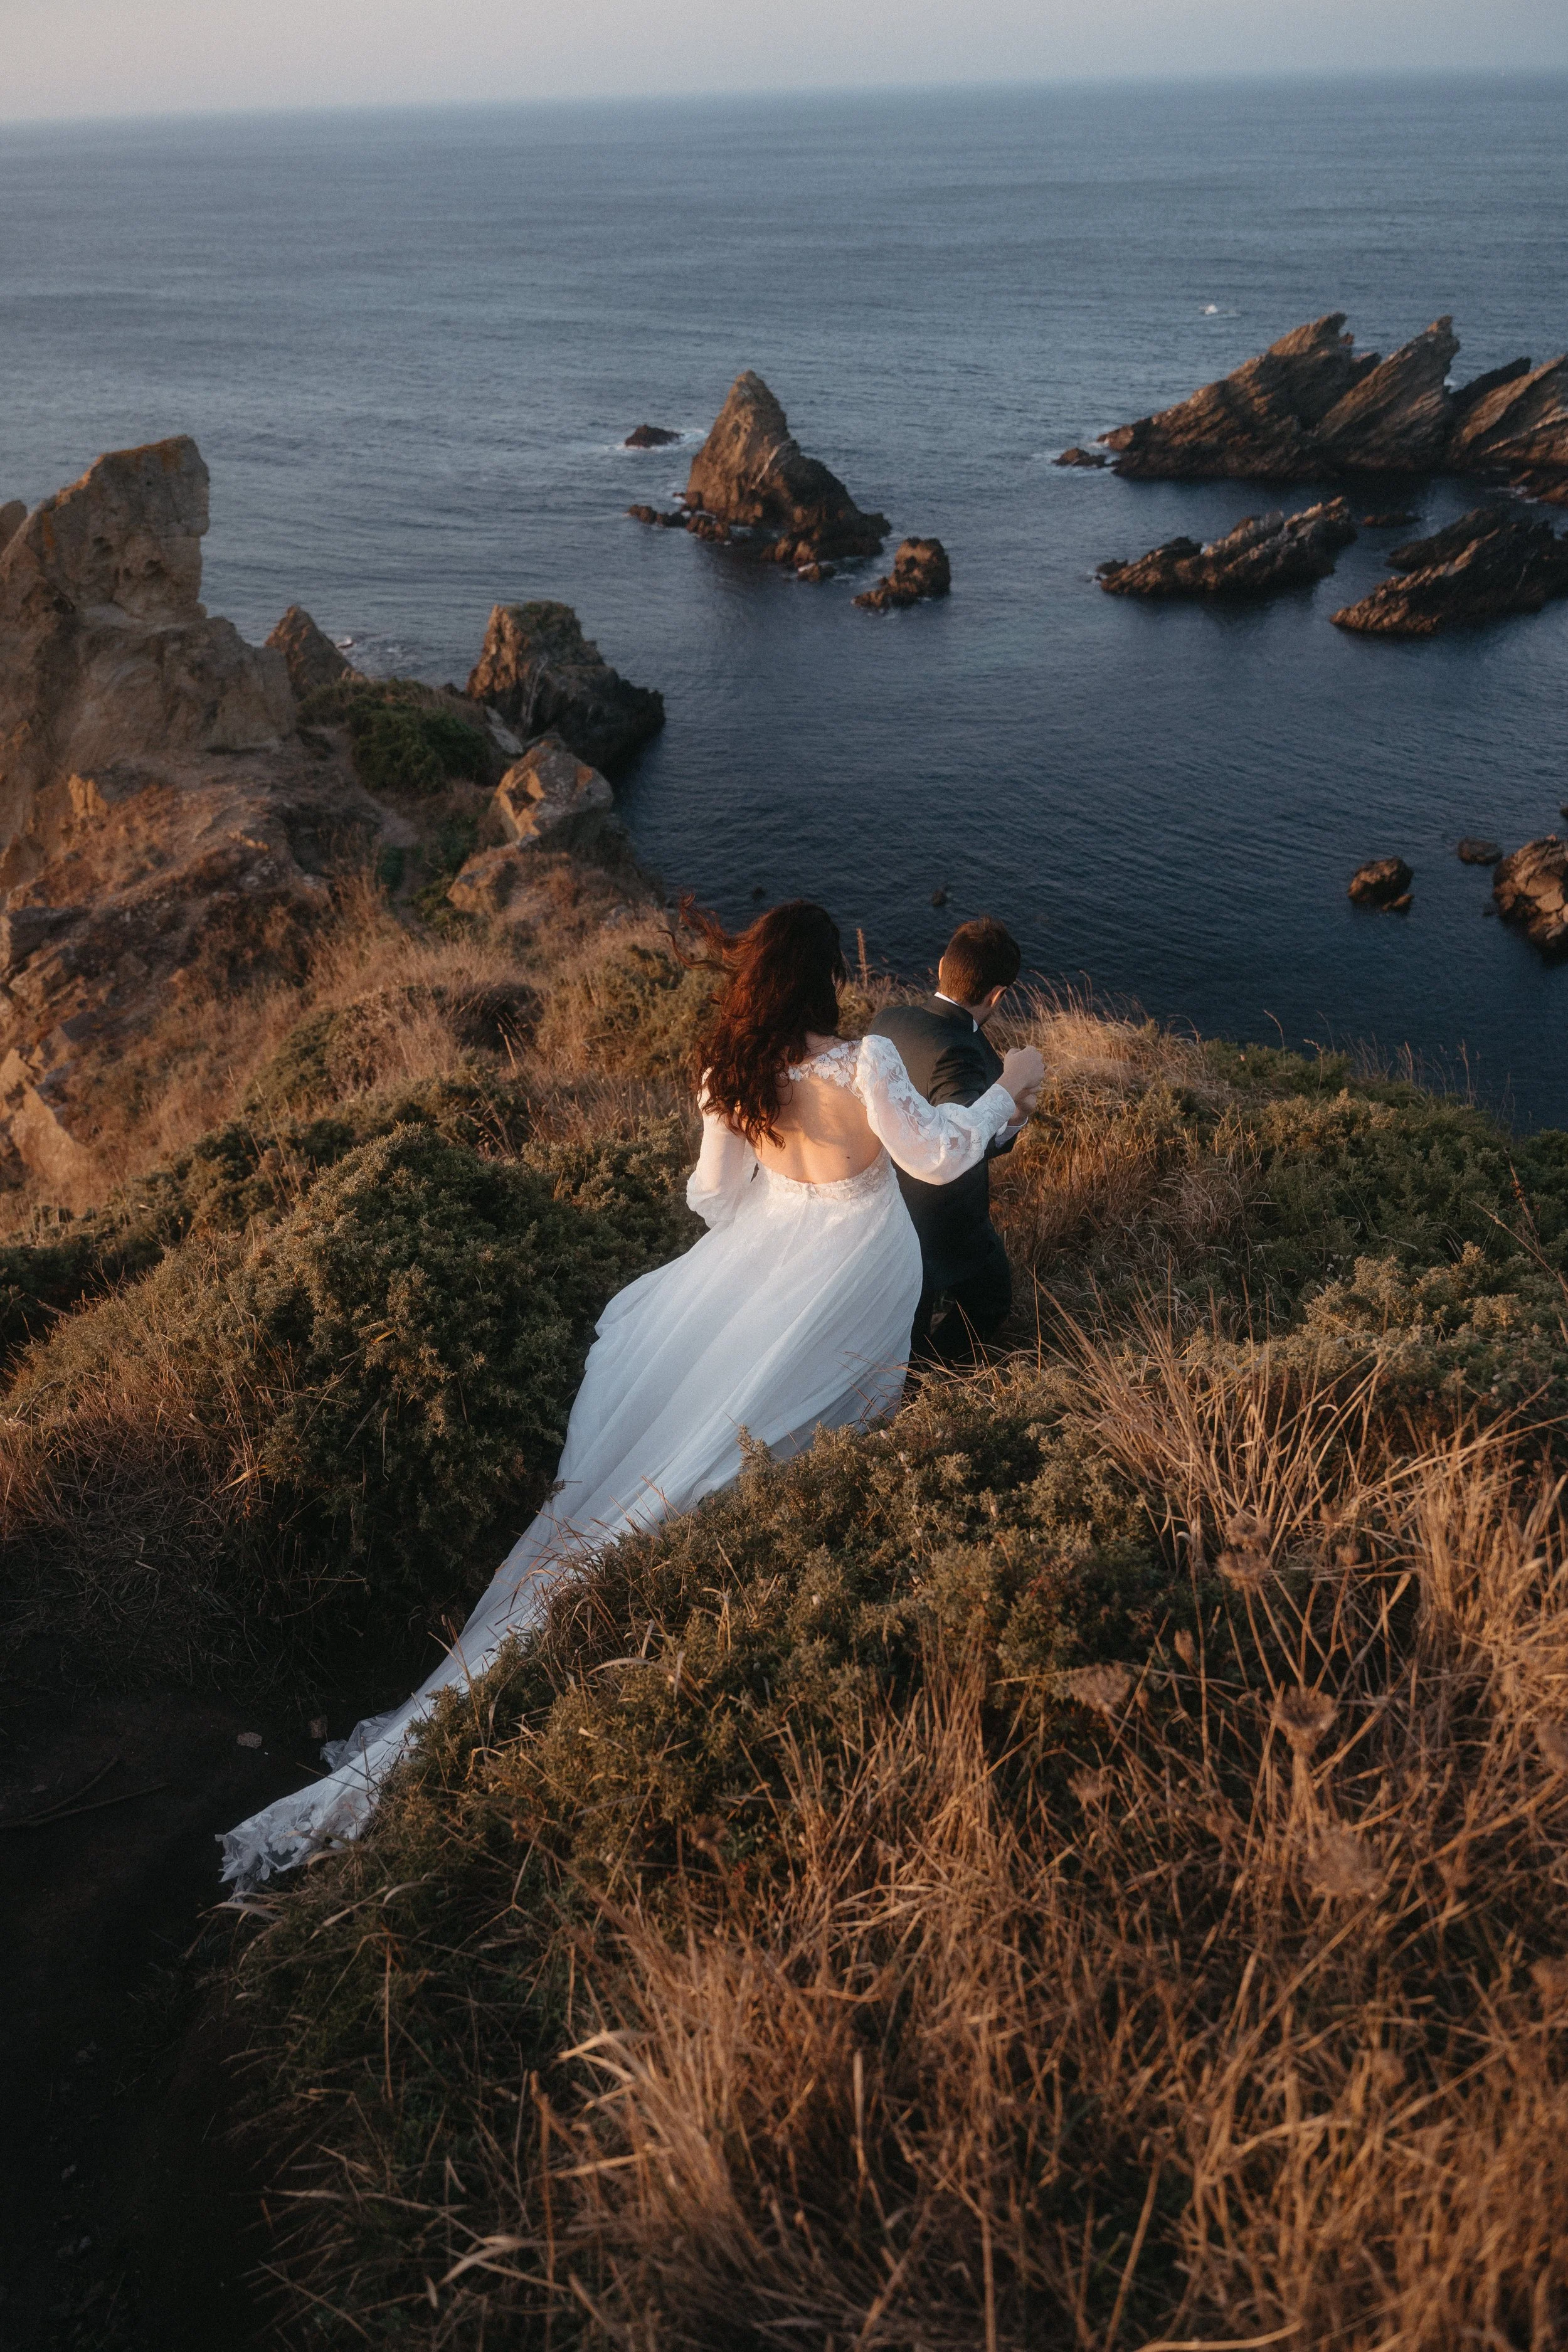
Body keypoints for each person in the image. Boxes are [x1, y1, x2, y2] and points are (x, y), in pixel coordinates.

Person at [221, 899, 1045, 1888]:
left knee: (689, 1437)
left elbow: (710, 1198)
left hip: (768, 1254)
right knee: (761, 1441)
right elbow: (941, 1155)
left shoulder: (729, 1066)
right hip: (851, 1271)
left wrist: (777, 1205)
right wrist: (1012, 1092)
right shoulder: (862, 1061)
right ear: (825, 975)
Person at [868, 917, 1030, 1366]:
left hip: (881, 1202)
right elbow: (962, 1143)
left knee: (904, 1324)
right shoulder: (964, 1050)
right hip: (943, 1221)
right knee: (990, 1301)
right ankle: (928, 1375)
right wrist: (1016, 1118)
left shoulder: (889, 1019)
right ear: (999, 995)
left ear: (942, 966)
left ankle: (905, 1382)